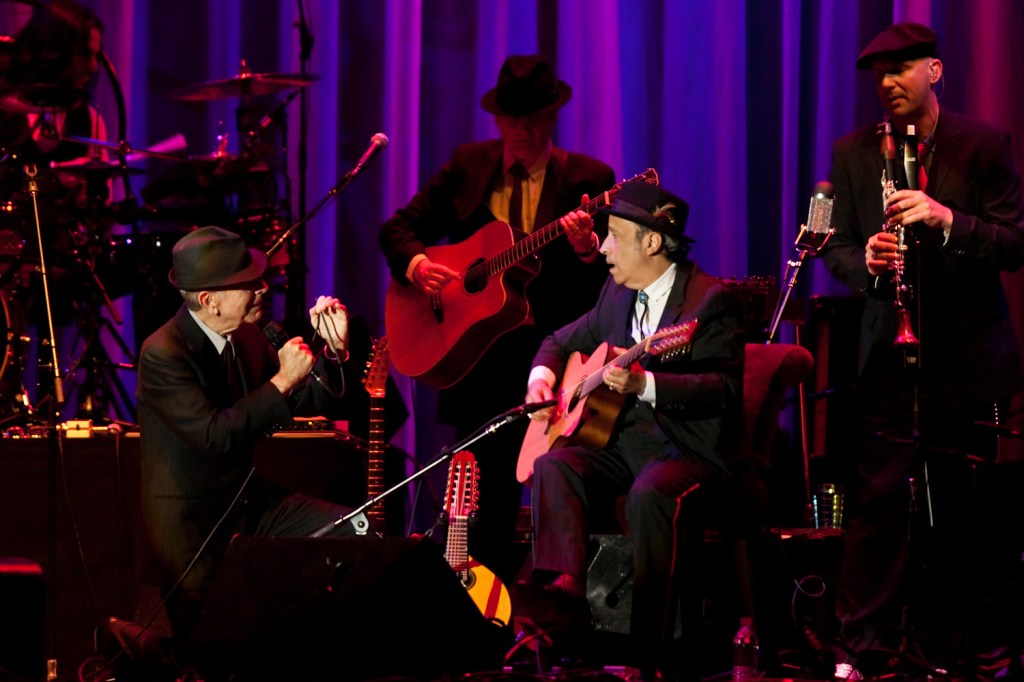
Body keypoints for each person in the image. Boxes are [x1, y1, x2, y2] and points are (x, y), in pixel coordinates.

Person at [823, 22, 1024, 679]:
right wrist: (870, 264)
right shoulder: (854, 153)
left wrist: (946, 221)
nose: (887, 82)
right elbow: (839, 249)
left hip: (965, 355)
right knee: (877, 500)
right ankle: (862, 642)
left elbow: (1014, 243)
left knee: (961, 504)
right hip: (890, 351)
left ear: (934, 71)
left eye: (901, 68)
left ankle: (963, 640)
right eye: (878, 73)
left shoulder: (983, 144)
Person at [380, 54, 615, 581]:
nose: (524, 129)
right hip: (475, 360)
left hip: (557, 360)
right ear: (498, 121)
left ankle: (562, 607)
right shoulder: (469, 167)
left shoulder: (589, 178)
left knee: (568, 485)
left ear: (553, 117)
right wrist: (419, 266)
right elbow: (398, 230)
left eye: (534, 117)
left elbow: (606, 285)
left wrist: (585, 249)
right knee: (480, 503)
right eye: (513, 118)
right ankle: (480, 614)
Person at [523, 182, 745, 678]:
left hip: (690, 450)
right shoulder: (615, 295)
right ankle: (567, 594)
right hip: (625, 445)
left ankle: (650, 650)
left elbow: (723, 390)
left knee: (651, 494)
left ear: (651, 242)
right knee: (554, 462)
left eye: (614, 237)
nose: (601, 248)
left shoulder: (710, 302)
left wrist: (647, 384)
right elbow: (559, 341)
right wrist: (542, 381)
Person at [137, 226, 367, 644]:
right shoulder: (163, 353)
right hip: (195, 529)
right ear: (209, 300)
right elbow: (214, 435)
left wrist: (333, 352)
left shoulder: (246, 335)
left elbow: (305, 401)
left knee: (356, 529)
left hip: (249, 505)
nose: (263, 288)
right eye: (248, 284)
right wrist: (282, 381)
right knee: (213, 652)